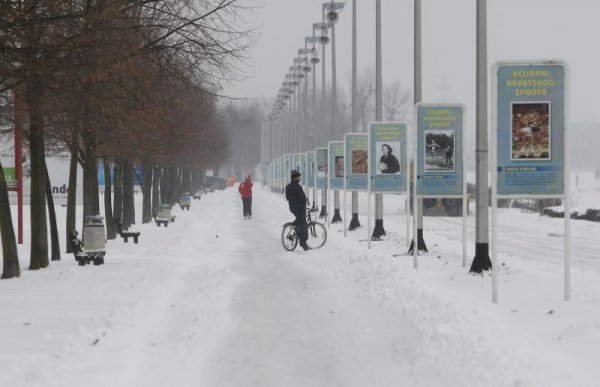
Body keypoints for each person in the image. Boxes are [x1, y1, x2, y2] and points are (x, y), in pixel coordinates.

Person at [285, 170, 309, 250]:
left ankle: (295, 227)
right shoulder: (298, 187)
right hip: (300, 208)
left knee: (299, 220)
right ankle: (303, 242)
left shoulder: (288, 186)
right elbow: (302, 197)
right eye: (299, 176)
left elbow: (288, 198)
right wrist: (305, 201)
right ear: (295, 177)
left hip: (292, 208)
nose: (299, 178)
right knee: (303, 223)